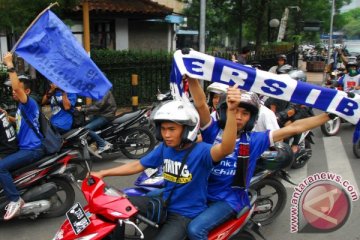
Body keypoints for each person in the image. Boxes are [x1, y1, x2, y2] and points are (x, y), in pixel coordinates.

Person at [186, 77, 334, 240]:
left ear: (252, 118)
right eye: (235, 110)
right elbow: (200, 104)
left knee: (195, 231)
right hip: (199, 192)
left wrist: (329, 115)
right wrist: (192, 78)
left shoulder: (255, 140)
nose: (239, 117)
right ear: (225, 110)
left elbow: (295, 127)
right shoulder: (211, 130)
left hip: (229, 200)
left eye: (245, 113)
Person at [90, 85, 240, 240]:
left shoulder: (202, 151)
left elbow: (226, 148)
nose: (166, 134)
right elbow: (137, 165)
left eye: (172, 129)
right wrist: (103, 173)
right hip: (164, 204)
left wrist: (232, 111)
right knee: (114, 206)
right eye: (163, 129)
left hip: (184, 215)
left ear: (187, 130)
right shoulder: (165, 148)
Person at [1, 52, 45, 220]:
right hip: (25, 147)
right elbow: (21, 122)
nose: (13, 91)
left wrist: (9, 64)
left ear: (26, 90)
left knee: (0, 167)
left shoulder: (29, 102)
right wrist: (7, 116)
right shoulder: (22, 107)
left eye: (18, 89)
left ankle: (15, 199)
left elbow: (16, 88)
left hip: (32, 149)